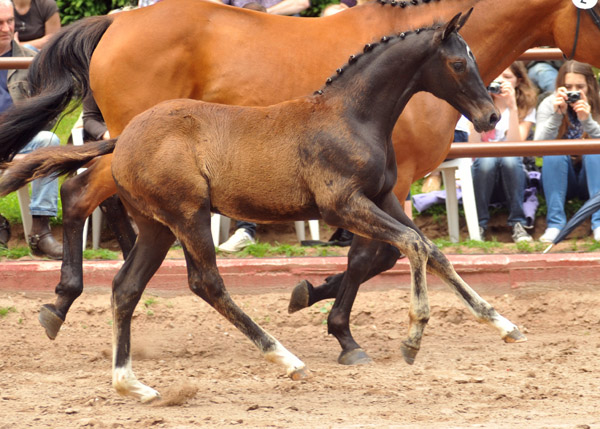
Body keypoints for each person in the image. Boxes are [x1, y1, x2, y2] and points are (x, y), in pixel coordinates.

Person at [0, 0, 62, 257]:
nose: (6, 28)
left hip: (17, 139)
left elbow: (48, 107)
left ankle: (40, 231)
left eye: (10, 21)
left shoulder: (31, 59)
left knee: (49, 141)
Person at [469, 62, 537, 243]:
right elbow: (472, 147)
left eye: (507, 77)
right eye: (496, 75)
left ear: (518, 82)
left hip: (513, 171)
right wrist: (479, 108)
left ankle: (518, 223)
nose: (500, 81)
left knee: (509, 158)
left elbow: (516, 148)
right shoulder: (475, 103)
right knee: (486, 161)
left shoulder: (525, 107)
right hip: (482, 172)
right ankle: (479, 224)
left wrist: (512, 107)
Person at [535, 61, 600, 243]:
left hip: (594, 176)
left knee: (595, 149)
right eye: (568, 87)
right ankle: (555, 224)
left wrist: (588, 121)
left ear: (590, 85)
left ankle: (599, 223)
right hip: (561, 177)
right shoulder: (550, 103)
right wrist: (557, 116)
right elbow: (538, 144)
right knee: (555, 150)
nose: (574, 92)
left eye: (580, 87)